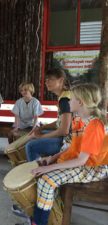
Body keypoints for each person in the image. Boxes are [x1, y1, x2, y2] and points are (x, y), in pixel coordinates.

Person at [29, 83, 108, 225]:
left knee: (46, 180)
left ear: (81, 102)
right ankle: (45, 216)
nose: (68, 102)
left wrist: (47, 168)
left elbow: (82, 161)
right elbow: (74, 147)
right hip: (80, 160)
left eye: (71, 99)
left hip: (93, 167)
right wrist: (52, 158)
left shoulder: (94, 125)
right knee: (42, 173)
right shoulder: (78, 119)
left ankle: (40, 222)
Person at [25, 69, 72, 161]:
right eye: (46, 80)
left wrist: (40, 137)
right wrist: (42, 127)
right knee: (34, 136)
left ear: (61, 80)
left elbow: (64, 131)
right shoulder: (64, 96)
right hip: (64, 137)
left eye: (50, 79)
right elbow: (61, 122)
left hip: (69, 141)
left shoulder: (65, 100)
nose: (46, 82)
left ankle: (38, 173)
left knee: (31, 146)